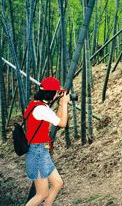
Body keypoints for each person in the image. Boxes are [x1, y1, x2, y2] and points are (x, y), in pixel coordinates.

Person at [24, 77, 70, 206]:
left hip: (41, 152)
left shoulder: (38, 105)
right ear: (50, 93)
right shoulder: (41, 109)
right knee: (41, 194)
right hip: (37, 153)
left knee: (57, 183)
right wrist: (65, 103)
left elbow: (57, 118)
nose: (57, 94)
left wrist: (61, 102)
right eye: (56, 92)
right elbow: (62, 123)